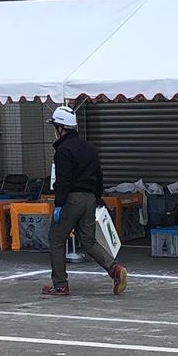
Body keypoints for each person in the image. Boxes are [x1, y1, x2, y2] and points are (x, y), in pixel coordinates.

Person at [45, 105, 127, 297]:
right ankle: (114, 269)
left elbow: (63, 180)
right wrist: (97, 197)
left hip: (71, 200)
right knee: (89, 241)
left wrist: (58, 204)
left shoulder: (63, 151)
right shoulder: (89, 148)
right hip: (90, 199)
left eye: (55, 126)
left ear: (61, 128)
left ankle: (60, 285)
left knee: (56, 240)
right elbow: (99, 176)